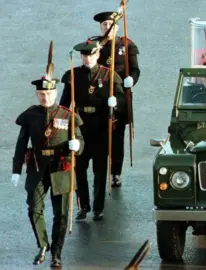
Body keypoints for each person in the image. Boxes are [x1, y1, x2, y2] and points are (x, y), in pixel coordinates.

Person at [11, 74, 84, 267]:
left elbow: (80, 140)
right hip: (37, 167)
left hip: (61, 167)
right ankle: (43, 245)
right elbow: (21, 144)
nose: (45, 97)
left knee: (61, 214)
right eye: (41, 94)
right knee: (34, 208)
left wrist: (77, 145)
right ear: (37, 95)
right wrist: (16, 170)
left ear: (55, 93)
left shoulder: (67, 114)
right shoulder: (31, 115)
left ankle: (56, 253)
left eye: (49, 93)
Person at [59, 39, 126, 221]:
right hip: (80, 126)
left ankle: (98, 207)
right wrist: (62, 127)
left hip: (100, 126)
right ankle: (83, 206)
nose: (87, 59)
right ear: (81, 56)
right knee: (79, 168)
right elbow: (64, 104)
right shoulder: (73, 75)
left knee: (99, 168)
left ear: (97, 55)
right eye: (84, 56)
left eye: (91, 55)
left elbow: (121, 99)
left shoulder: (108, 76)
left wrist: (115, 102)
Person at [92, 11, 141, 187]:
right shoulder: (94, 44)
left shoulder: (127, 45)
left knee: (117, 137)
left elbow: (135, 70)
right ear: (100, 27)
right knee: (99, 136)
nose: (107, 27)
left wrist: (131, 81)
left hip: (120, 96)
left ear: (117, 26)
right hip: (98, 97)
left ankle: (115, 173)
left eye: (111, 24)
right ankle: (100, 171)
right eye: (104, 24)